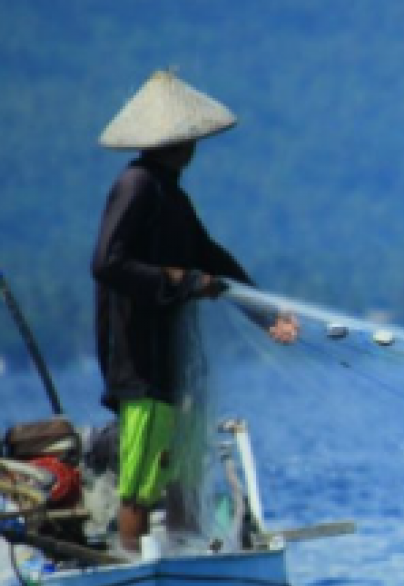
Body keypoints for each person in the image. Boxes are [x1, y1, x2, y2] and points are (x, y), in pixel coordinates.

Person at [91, 70, 299, 552]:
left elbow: (210, 257)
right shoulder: (137, 187)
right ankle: (136, 565)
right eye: (190, 137)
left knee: (183, 469)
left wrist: (265, 312)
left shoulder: (172, 195)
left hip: (171, 357)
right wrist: (182, 281)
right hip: (138, 360)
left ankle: (185, 556)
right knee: (139, 485)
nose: (195, 146)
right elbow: (107, 263)